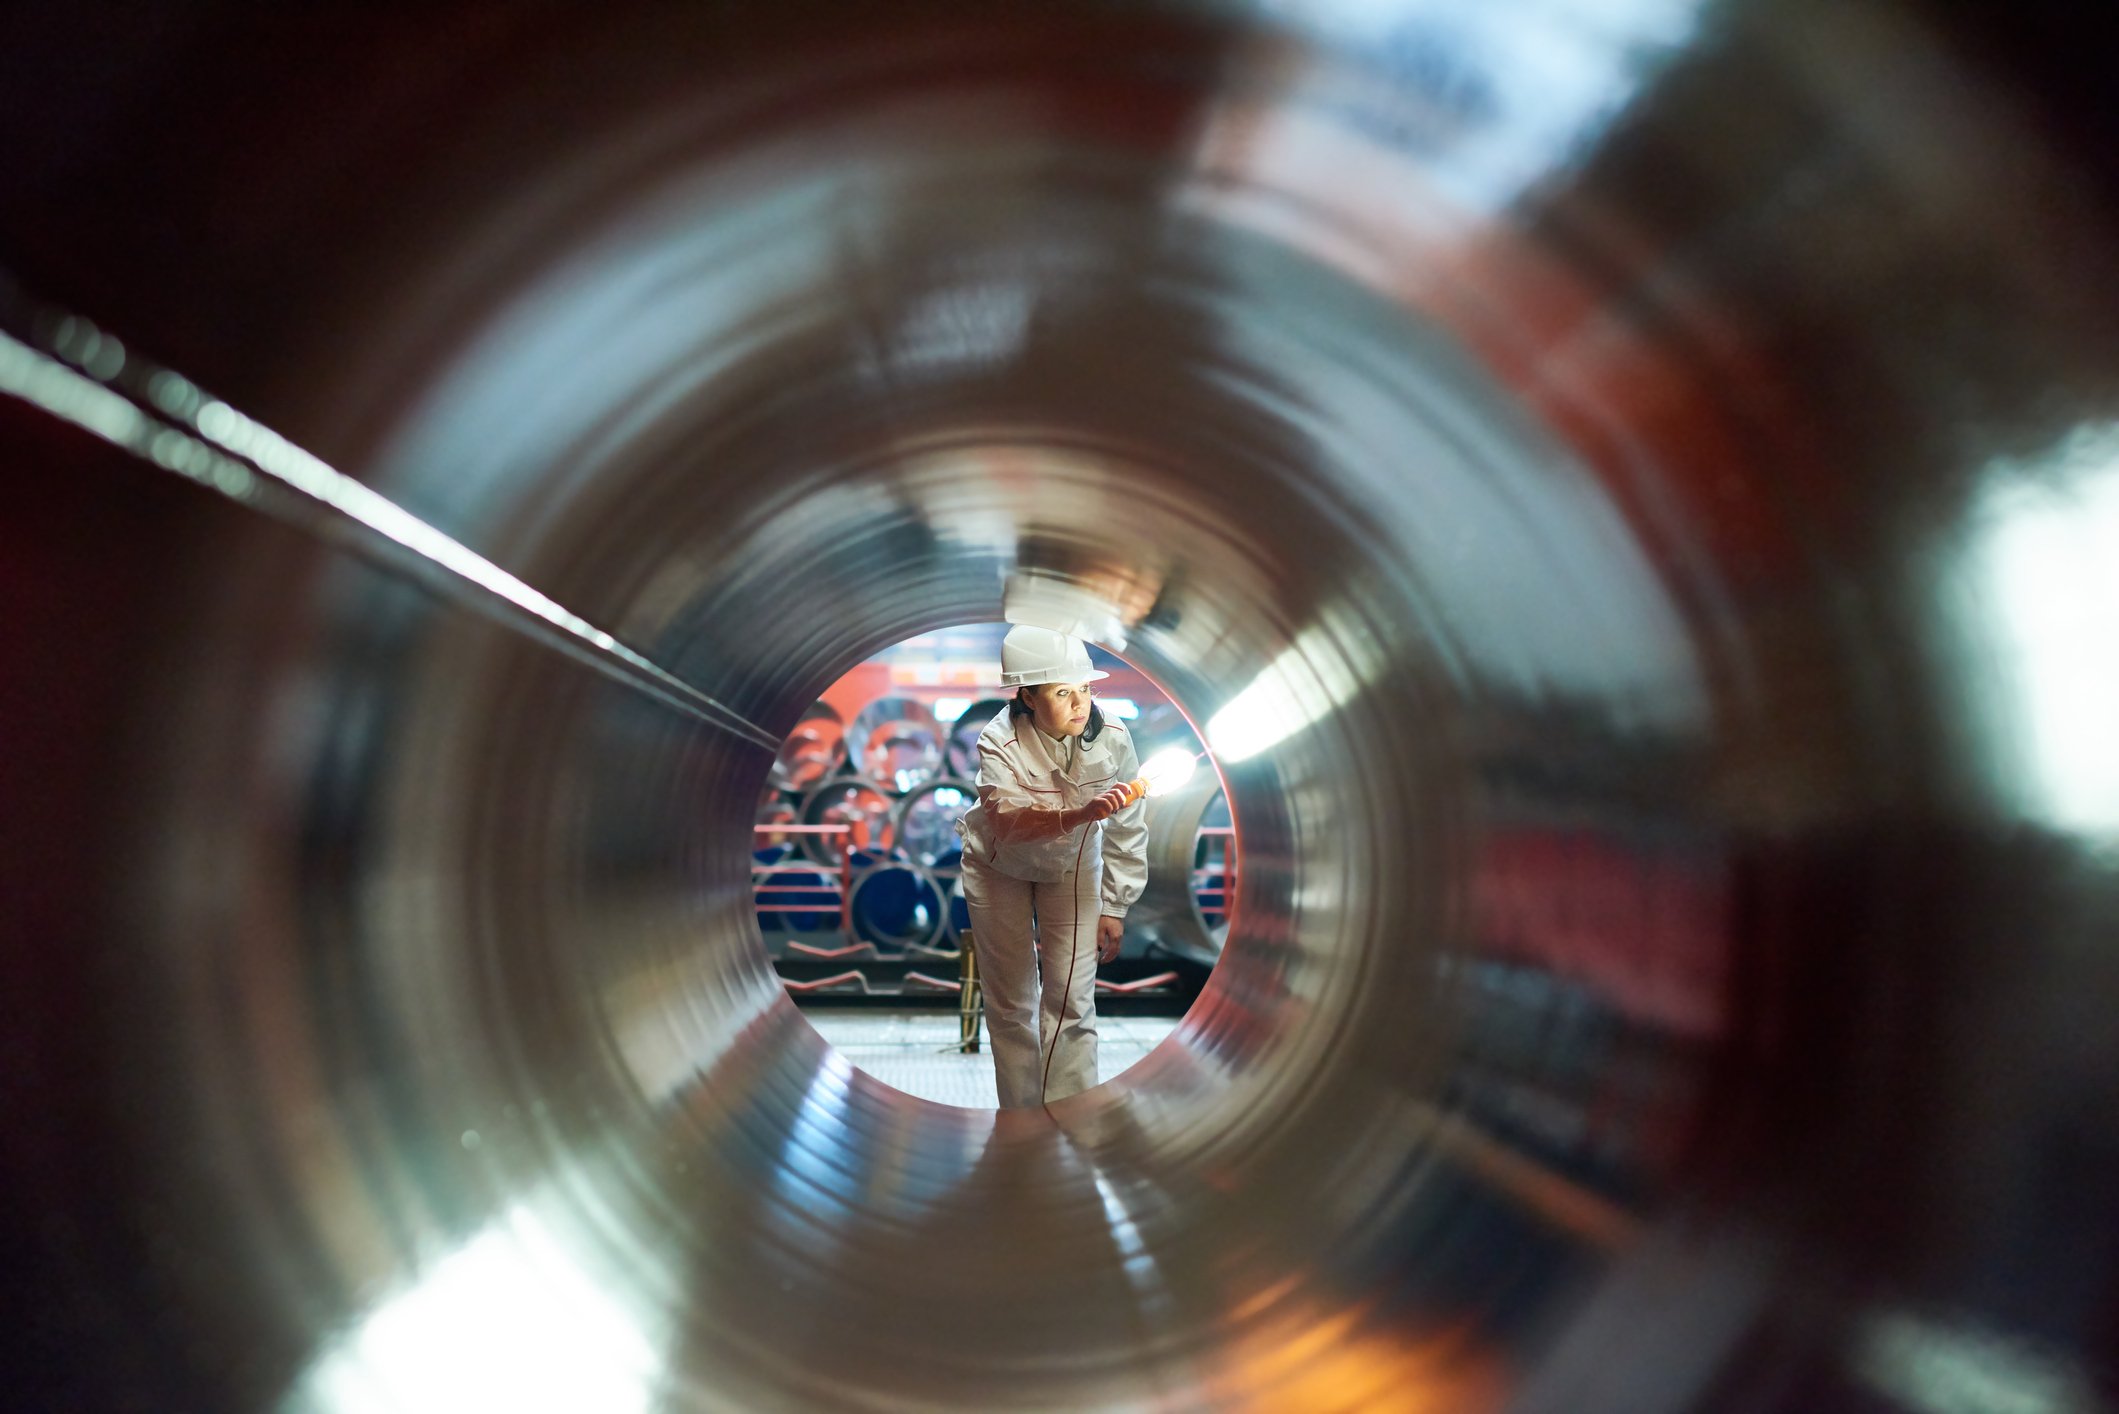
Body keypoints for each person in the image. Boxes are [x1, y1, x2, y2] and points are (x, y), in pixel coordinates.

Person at [955, 625, 1148, 1107]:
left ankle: (1070, 1118)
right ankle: (1022, 1121)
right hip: (999, 865)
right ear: (1026, 696)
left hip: (1075, 864)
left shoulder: (1115, 737)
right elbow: (1009, 821)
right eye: (1063, 692)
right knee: (1013, 1002)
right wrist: (1081, 814)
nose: (1080, 704)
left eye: (1084, 688)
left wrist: (1117, 904)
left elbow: (1130, 822)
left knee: (1071, 998)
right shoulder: (997, 740)